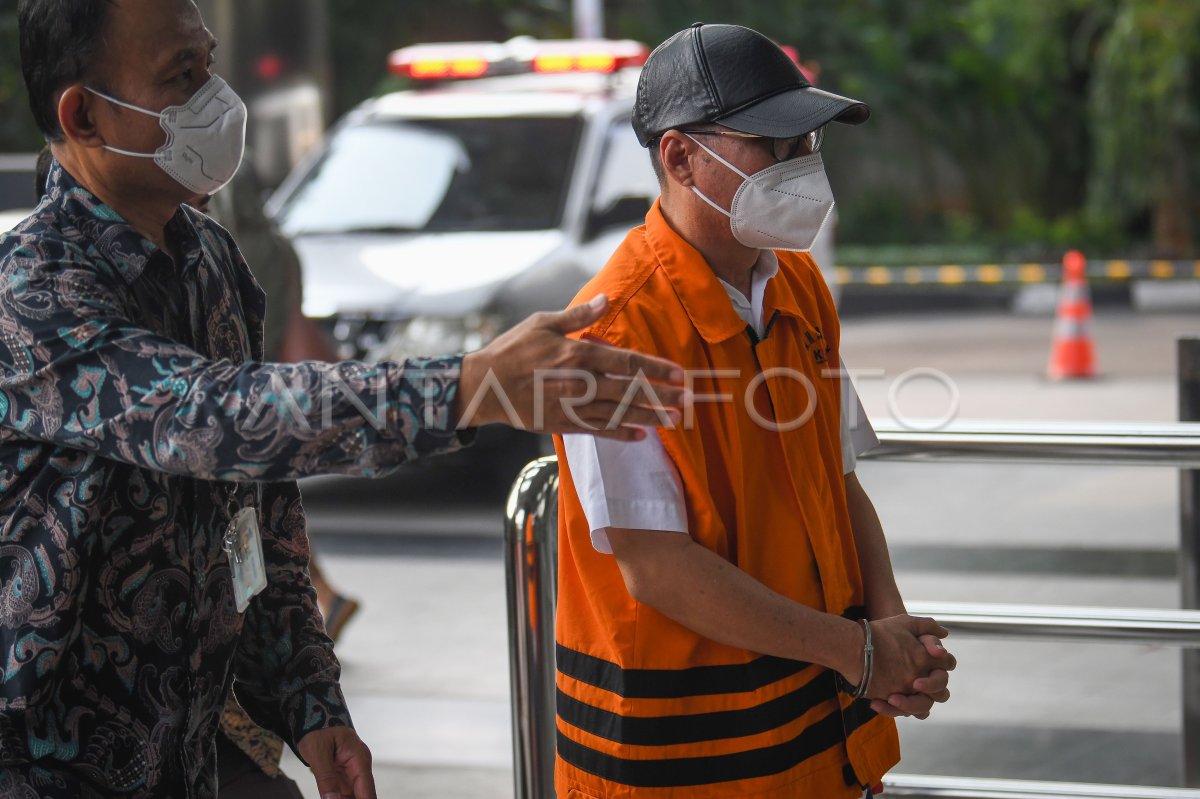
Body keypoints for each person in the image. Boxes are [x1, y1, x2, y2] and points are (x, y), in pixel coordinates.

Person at [1, 2, 685, 798]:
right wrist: (472, 385)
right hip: (44, 764)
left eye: (208, 65)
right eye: (179, 77)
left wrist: (308, 700)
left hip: (190, 753)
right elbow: (214, 419)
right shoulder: (35, 292)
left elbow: (253, 509)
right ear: (84, 114)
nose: (213, 97)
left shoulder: (209, 258)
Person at [553, 23, 956, 798]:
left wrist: (892, 641)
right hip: (688, 764)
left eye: (808, 141)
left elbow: (840, 484)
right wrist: (859, 650)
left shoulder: (799, 290)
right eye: (774, 144)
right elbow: (659, 567)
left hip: (823, 739)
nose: (803, 166)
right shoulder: (610, 333)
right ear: (680, 157)